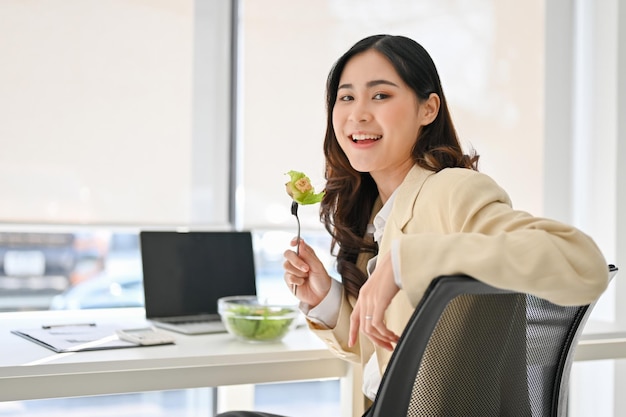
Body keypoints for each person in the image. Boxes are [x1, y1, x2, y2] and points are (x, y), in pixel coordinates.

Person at [216, 34, 609, 417]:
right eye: (346, 97)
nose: (358, 114)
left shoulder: (454, 190)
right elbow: (393, 357)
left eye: (381, 95)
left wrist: (406, 262)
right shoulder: (381, 212)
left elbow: (581, 263)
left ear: (428, 109)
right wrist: (327, 299)